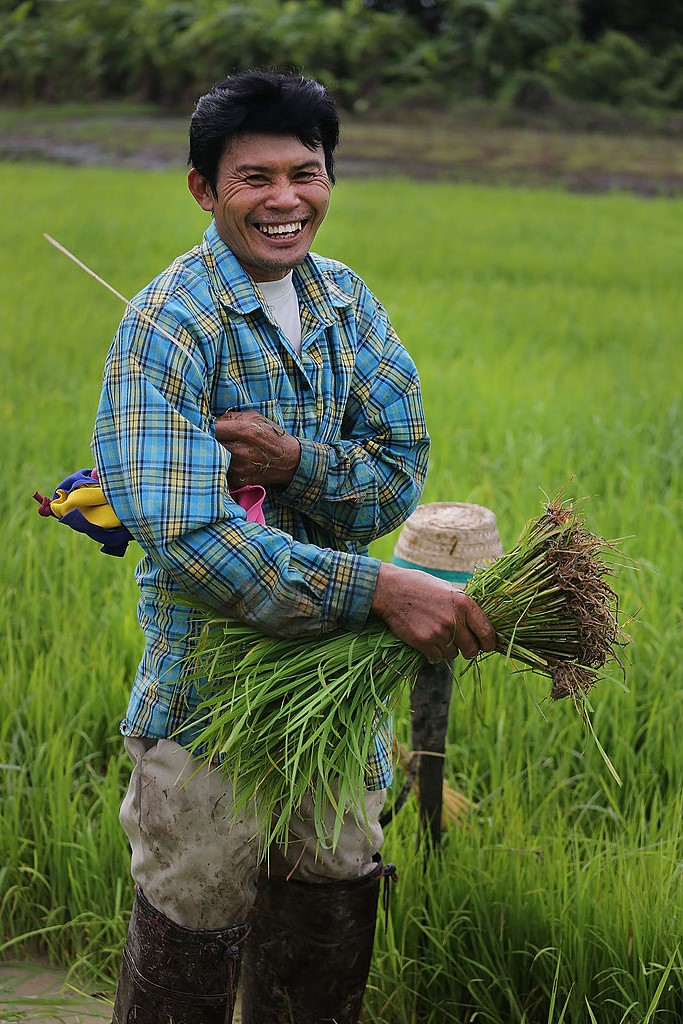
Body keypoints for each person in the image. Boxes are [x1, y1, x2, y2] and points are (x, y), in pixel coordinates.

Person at [88, 70, 496, 1024]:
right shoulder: (163, 328)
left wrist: (294, 460)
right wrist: (378, 589)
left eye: (304, 173)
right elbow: (194, 540)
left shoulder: (347, 305)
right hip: (207, 701)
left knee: (327, 908)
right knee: (192, 926)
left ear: (329, 177)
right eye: (253, 178)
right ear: (203, 189)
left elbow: (399, 472)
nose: (285, 200)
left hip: (335, 696)